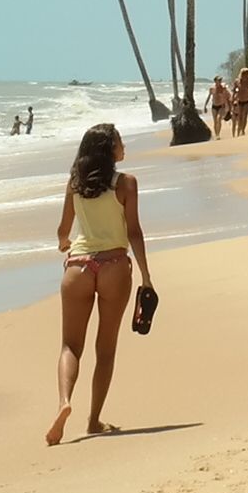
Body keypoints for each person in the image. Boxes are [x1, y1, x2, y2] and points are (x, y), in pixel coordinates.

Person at [48, 121, 154, 446]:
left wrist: (66, 243)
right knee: (104, 349)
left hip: (78, 267)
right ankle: (93, 420)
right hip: (113, 266)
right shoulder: (126, 183)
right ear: (110, 150)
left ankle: (65, 402)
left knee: (70, 346)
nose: (125, 147)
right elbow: (133, 231)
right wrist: (147, 277)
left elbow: (63, 229)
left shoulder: (75, 183)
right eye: (121, 142)